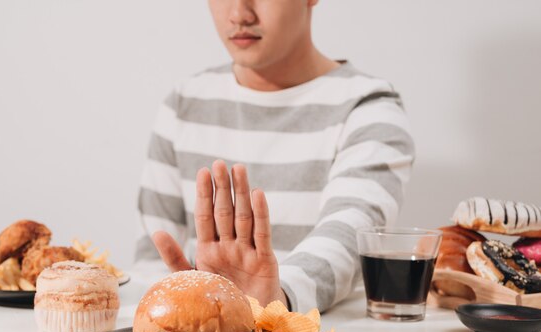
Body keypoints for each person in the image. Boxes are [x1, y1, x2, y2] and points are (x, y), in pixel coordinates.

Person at [133, 0, 414, 312]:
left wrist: (274, 298)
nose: (239, 14)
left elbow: (345, 240)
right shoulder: (183, 103)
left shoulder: (368, 108)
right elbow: (152, 260)